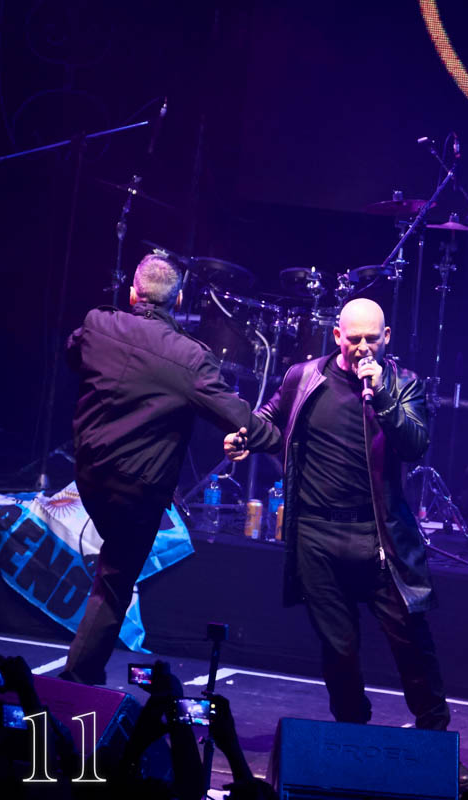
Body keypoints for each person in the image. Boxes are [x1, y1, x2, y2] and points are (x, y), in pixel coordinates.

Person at [223, 298, 468, 784]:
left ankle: (438, 745)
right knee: (338, 650)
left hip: (379, 537)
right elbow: (271, 419)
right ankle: (353, 739)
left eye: (370, 339)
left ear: (386, 338)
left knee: (412, 645)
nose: (361, 347)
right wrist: (245, 436)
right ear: (336, 335)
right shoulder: (303, 377)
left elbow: (414, 444)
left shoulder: (403, 384)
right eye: (353, 338)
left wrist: (382, 396)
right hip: (317, 536)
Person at [60, 253, 281, 685]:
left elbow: (74, 353)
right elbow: (238, 417)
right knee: (116, 577)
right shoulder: (189, 358)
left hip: (89, 475)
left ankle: (84, 675)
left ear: (132, 293)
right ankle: (78, 680)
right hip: (136, 490)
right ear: (178, 300)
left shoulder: (97, 324)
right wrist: (289, 441)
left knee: (113, 567)